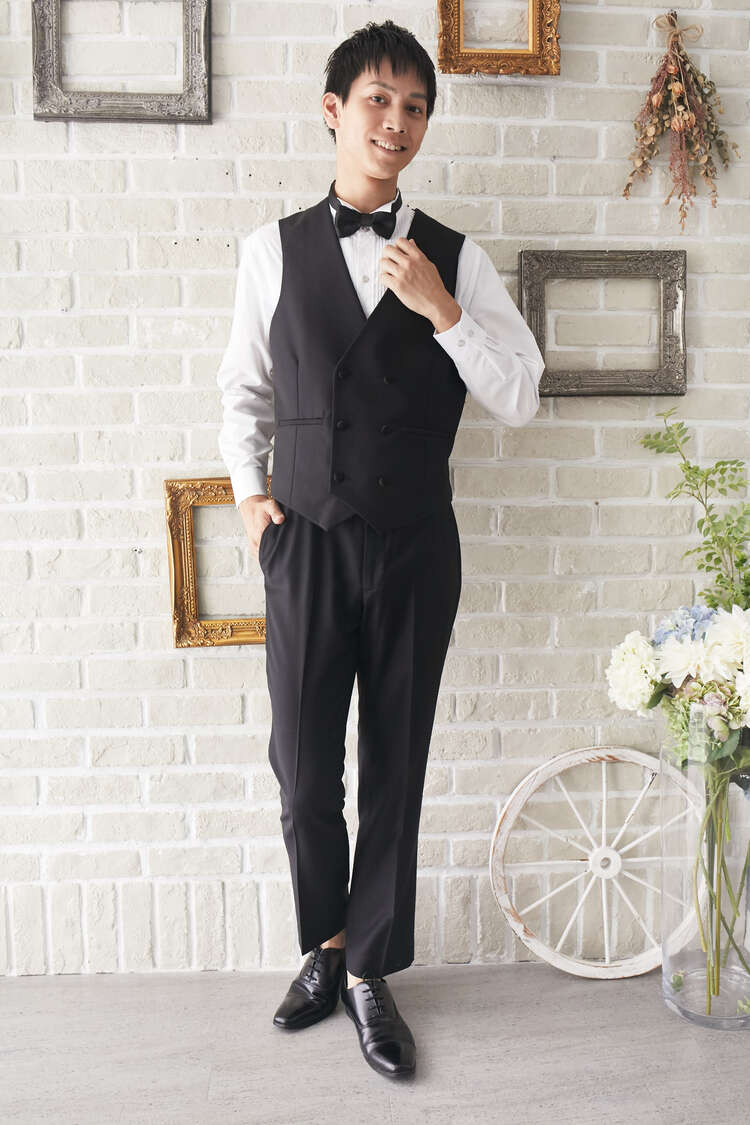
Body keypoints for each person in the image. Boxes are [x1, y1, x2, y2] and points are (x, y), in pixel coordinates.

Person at [216, 19, 544, 1080]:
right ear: (334, 110)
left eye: (414, 107)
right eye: (377, 101)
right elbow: (243, 391)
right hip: (306, 541)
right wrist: (251, 498)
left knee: (395, 765)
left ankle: (369, 972)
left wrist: (441, 309)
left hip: (414, 547)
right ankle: (324, 944)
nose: (396, 122)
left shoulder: (460, 259)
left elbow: (521, 396)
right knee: (303, 770)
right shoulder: (270, 250)